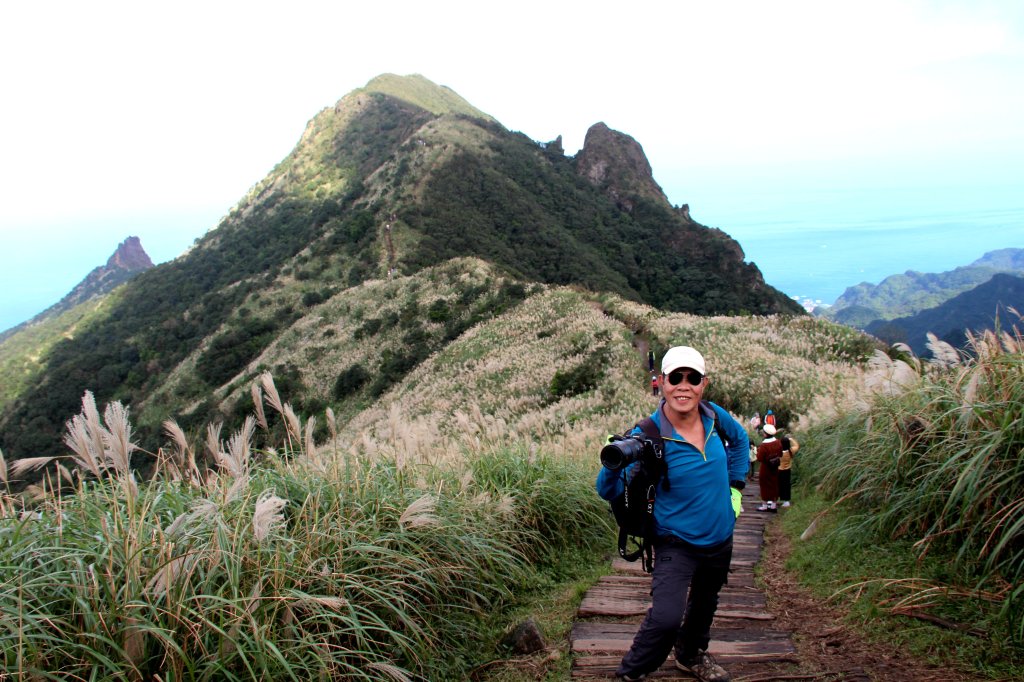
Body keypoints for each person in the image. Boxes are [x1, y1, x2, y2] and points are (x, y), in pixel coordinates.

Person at [597, 346, 749, 682]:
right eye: (675, 377)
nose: (684, 386)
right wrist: (613, 461)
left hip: (720, 536)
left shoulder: (714, 415)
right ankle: (631, 672)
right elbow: (607, 490)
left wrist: (736, 489)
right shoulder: (648, 435)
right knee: (666, 617)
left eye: (692, 378)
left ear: (704, 383)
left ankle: (690, 654)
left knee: (705, 602)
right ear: (662, 382)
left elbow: (740, 440)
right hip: (675, 541)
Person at [756, 423, 782, 512]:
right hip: (775, 467)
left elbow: (759, 458)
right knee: (774, 484)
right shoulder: (778, 442)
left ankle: (764, 505)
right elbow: (780, 454)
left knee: (764, 486)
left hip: (765, 467)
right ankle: (773, 505)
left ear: (765, 434)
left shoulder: (764, 445)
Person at [778, 431, 799, 507]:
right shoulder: (791, 451)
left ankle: (776, 499)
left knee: (780, 485)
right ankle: (786, 501)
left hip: (779, 470)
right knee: (786, 485)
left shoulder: (779, 452)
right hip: (787, 470)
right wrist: (791, 439)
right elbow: (797, 445)